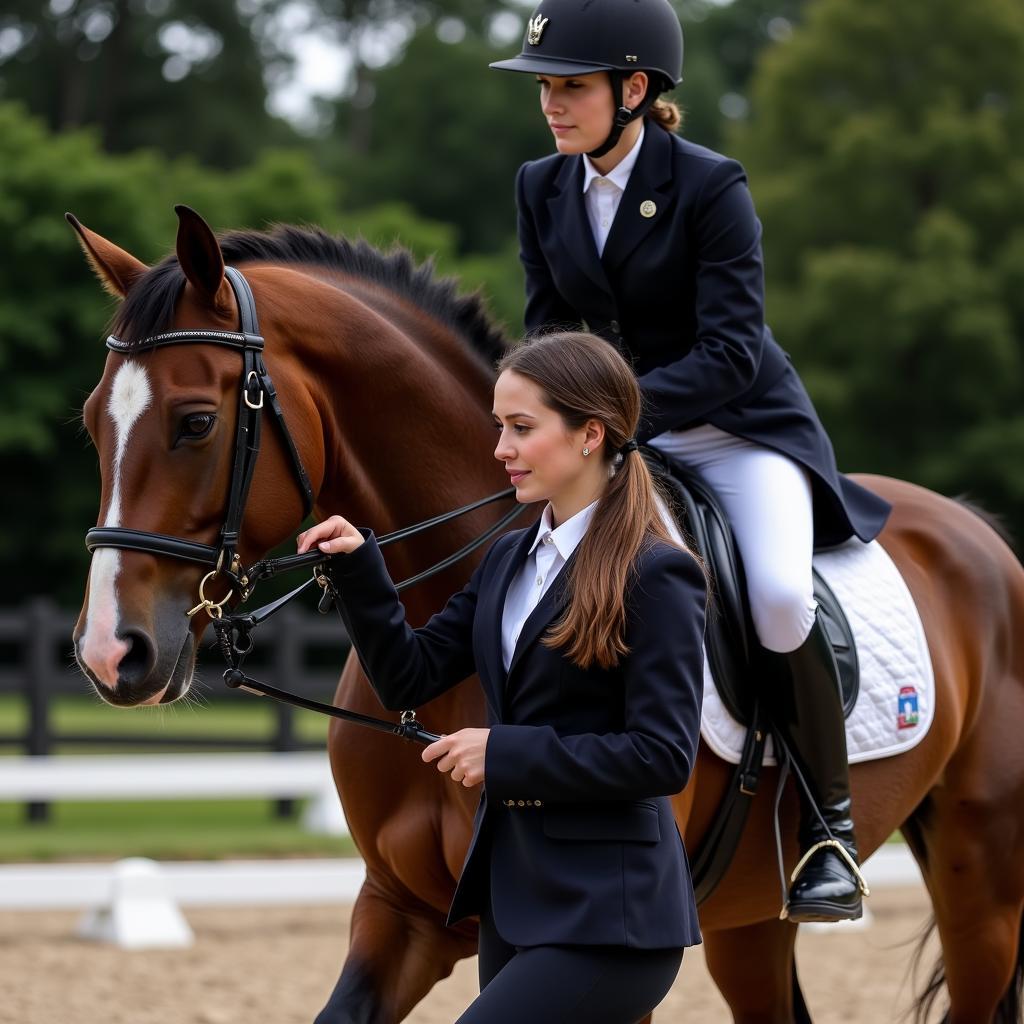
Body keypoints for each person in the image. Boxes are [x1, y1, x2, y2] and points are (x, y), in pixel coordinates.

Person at [489, 0, 889, 922]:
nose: (552, 104)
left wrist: (610, 420)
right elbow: (552, 329)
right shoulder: (539, 186)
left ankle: (829, 831)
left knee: (782, 596)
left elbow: (732, 351)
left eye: (571, 87)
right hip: (616, 436)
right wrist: (547, 421)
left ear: (635, 90)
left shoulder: (711, 184)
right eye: (545, 87)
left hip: (738, 429)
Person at [297, 331, 705, 1024]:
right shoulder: (508, 559)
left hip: (612, 918)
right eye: (498, 428)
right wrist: (361, 569)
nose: (500, 449)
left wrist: (502, 751)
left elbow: (663, 756)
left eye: (521, 428)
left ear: (589, 436)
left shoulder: (658, 573)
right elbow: (409, 675)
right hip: (514, 908)